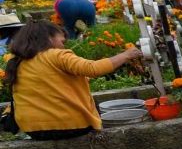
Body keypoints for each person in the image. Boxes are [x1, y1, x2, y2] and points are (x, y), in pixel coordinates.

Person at [4, 20, 142, 140]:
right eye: (62, 41)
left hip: (33, 130)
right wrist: (126, 55)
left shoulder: (16, 61)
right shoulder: (56, 55)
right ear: (49, 38)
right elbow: (93, 68)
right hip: (69, 126)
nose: (64, 46)